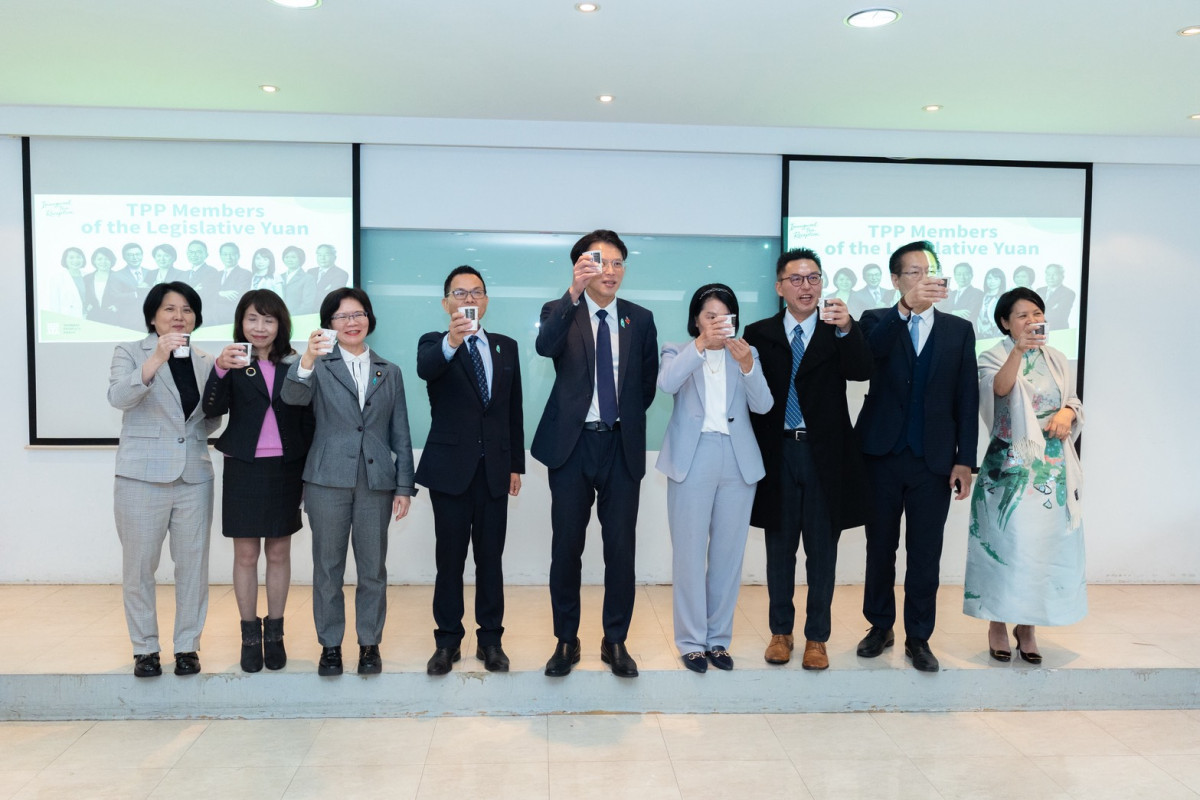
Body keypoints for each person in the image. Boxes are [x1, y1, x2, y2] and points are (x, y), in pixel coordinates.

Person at [532, 229, 658, 679]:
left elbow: (645, 386)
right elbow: (545, 346)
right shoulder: (559, 310)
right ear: (581, 267)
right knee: (567, 547)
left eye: (618, 263)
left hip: (620, 446)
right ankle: (566, 639)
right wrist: (573, 293)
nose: (611, 271)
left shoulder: (640, 319)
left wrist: (620, 420)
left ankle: (615, 639)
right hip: (572, 446)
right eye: (600, 262)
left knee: (620, 549)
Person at [744, 250, 873, 670]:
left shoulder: (838, 329)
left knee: (821, 552)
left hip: (824, 456)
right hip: (777, 452)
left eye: (813, 278)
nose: (806, 286)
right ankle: (780, 633)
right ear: (779, 287)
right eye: (796, 279)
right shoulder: (759, 333)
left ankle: (817, 637)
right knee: (779, 549)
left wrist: (848, 328)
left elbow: (861, 371)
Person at [855, 241, 979, 672]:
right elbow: (868, 358)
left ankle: (919, 636)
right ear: (895, 280)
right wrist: (904, 309)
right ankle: (880, 626)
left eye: (929, 271)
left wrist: (965, 459)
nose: (924, 279)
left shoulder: (958, 329)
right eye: (913, 272)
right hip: (881, 454)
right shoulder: (875, 319)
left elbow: (967, 397)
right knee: (880, 547)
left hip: (934, 459)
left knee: (926, 552)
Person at [282, 287, 415, 676]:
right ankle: (330, 646)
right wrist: (307, 358)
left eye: (358, 314)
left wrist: (404, 486)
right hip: (327, 480)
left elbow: (400, 432)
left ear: (369, 319)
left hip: (376, 481)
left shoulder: (390, 371)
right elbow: (292, 398)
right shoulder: (318, 366)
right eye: (341, 316)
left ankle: (369, 643)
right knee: (328, 568)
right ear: (329, 324)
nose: (351, 322)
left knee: (373, 569)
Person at [965, 288, 1085, 663]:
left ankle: (1028, 627)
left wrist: (1068, 412)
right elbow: (998, 390)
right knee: (1006, 545)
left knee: (1042, 549)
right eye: (1022, 316)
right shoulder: (992, 355)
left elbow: (1071, 399)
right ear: (1005, 322)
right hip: (1009, 468)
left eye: (1037, 313)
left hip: (1051, 470)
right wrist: (1017, 351)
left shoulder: (1057, 357)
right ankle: (997, 623)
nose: (1033, 321)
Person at [656, 284, 772, 673]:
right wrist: (701, 345)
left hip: (738, 461)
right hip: (693, 457)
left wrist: (748, 365)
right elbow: (667, 384)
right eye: (711, 316)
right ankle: (691, 641)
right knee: (688, 554)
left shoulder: (747, 354)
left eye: (725, 317)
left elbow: (764, 405)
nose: (719, 323)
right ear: (696, 320)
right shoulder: (677, 350)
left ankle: (718, 639)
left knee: (728, 556)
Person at [107, 282, 219, 678]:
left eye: (187, 309)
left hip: (194, 476)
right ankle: (145, 649)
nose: (179, 316)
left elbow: (209, 419)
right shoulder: (130, 352)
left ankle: (187, 646)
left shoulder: (206, 360)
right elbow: (118, 397)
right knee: (139, 566)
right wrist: (157, 357)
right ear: (153, 317)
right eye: (169, 309)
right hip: (141, 476)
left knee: (193, 567)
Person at [415, 266, 524, 676]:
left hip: (494, 469)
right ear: (446, 302)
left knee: (490, 559)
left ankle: (491, 640)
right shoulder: (434, 343)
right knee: (450, 560)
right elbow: (427, 369)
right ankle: (447, 642)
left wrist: (515, 464)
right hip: (450, 471)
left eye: (476, 292)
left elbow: (512, 410)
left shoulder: (505, 347)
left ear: (487, 301)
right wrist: (453, 340)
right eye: (460, 293)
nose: (469, 299)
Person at [201, 289, 313, 673]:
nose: (260, 327)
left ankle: (275, 633)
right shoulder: (233, 361)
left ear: (281, 324)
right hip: (244, 466)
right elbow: (212, 409)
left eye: (268, 319)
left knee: (279, 553)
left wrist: (307, 471)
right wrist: (219, 369)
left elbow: (308, 419)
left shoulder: (296, 363)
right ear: (241, 322)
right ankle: (249, 635)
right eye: (252, 318)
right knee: (246, 556)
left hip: (286, 467)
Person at [84, 246, 135, 327]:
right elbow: (82, 295)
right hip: (93, 317)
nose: (103, 262)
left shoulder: (120, 277)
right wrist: (87, 305)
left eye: (107, 259)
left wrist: (118, 306)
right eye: (99, 259)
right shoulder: (87, 278)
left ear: (111, 261)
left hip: (114, 318)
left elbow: (130, 296)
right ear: (94, 261)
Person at [209, 242, 252, 324]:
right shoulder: (216, 274)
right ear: (220, 256)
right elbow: (207, 296)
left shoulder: (245, 274)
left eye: (232, 254)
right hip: (213, 320)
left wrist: (214, 295)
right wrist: (220, 293)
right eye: (225, 254)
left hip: (232, 319)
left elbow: (238, 297)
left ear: (238, 256)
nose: (228, 257)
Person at [49, 246, 88, 318]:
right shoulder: (57, 279)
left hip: (88, 317)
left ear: (83, 259)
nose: (75, 260)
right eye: (71, 257)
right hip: (68, 318)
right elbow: (54, 304)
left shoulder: (89, 276)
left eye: (78, 257)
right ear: (65, 260)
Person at [1036, 263, 1077, 329]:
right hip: (1039, 330)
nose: (1051, 277)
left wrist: (1036, 314)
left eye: (1054, 274)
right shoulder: (1039, 291)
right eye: (1048, 274)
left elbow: (1058, 315)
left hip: (1058, 331)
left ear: (1062, 276)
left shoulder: (1068, 293)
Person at [279, 245, 317, 315]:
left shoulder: (308, 278)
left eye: (293, 257)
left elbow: (308, 304)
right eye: (287, 257)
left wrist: (291, 316)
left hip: (298, 317)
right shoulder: (279, 277)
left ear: (300, 259)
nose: (289, 260)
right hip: (279, 317)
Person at [975, 268, 1007, 339]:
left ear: (1001, 281)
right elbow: (976, 313)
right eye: (989, 278)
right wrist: (981, 326)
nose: (992, 281)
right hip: (981, 332)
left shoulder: (1004, 297)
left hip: (997, 331)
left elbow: (1005, 316)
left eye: (996, 279)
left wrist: (989, 326)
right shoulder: (981, 295)